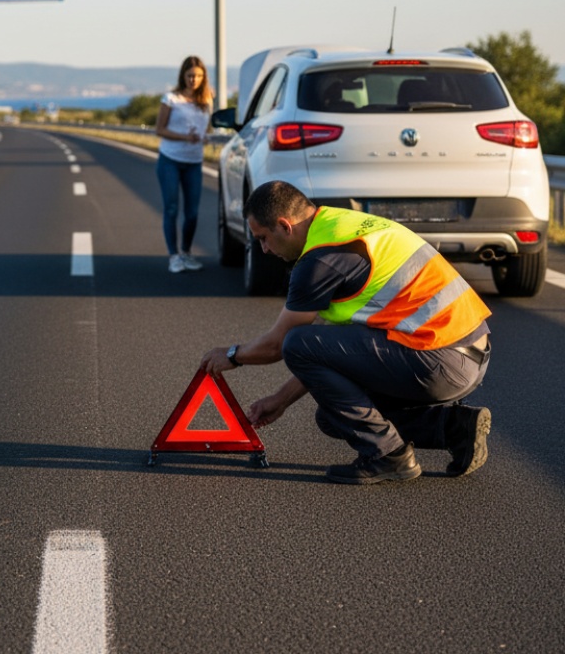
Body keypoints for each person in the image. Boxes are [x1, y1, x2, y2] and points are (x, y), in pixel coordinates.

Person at [199, 180, 493, 484]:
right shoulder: (339, 224)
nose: (264, 249)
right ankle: (457, 427)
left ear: (284, 226)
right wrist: (281, 399)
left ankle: (387, 456)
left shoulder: (320, 259)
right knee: (334, 417)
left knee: (296, 342)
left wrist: (232, 355)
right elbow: (329, 353)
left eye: (263, 238)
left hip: (441, 360)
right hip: (466, 352)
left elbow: (279, 345)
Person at [155, 56, 212, 274]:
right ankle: (174, 256)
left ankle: (186, 252)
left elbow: (204, 129)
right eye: (190, 76)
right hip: (170, 159)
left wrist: (204, 137)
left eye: (198, 76)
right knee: (171, 209)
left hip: (194, 162)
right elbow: (159, 129)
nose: (193, 80)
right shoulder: (170, 98)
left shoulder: (206, 100)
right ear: (183, 76)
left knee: (192, 213)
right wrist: (182, 137)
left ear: (203, 77)